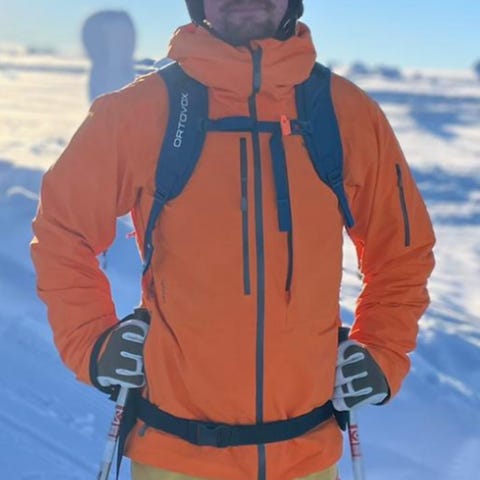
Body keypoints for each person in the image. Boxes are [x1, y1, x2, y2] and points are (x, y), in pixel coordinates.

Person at [30, 1, 435, 479]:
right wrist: (91, 339)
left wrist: (382, 350)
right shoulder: (138, 112)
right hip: (173, 456)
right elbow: (63, 229)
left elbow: (402, 252)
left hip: (306, 457)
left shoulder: (346, 115)